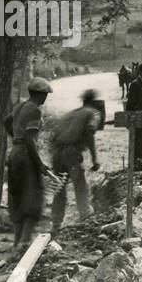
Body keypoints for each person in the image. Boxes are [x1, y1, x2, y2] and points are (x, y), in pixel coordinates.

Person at [4, 77, 55, 251]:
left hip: (15, 154)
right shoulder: (34, 110)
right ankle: (24, 244)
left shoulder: (20, 107)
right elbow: (30, 139)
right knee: (32, 199)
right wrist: (39, 164)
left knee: (17, 198)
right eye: (45, 95)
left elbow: (6, 122)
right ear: (41, 95)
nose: (46, 98)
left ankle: (16, 243)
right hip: (26, 156)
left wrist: (15, 139)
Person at [49, 89, 102, 238]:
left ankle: (55, 225)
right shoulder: (93, 113)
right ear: (95, 101)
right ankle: (85, 218)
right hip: (71, 153)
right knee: (81, 186)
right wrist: (94, 158)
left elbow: (53, 134)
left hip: (57, 153)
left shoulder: (70, 114)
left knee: (59, 188)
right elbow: (90, 132)